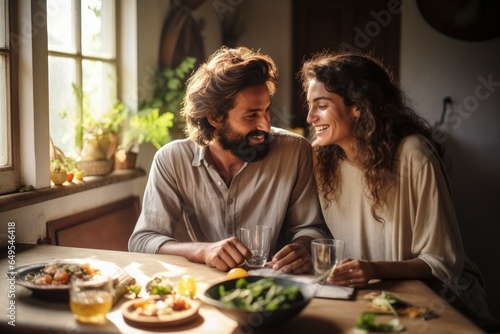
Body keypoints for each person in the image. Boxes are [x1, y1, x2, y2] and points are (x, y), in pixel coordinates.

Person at [299, 51, 500, 331]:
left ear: (357, 106)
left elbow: (442, 262)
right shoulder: (321, 158)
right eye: (309, 105)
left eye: (321, 105)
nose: (309, 117)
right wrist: (301, 247)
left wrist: (373, 268)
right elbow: (320, 229)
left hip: (437, 297)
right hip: (368, 296)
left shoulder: (414, 155)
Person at [129, 46, 328, 274]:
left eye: (266, 111)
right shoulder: (171, 160)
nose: (264, 125)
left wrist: (302, 247)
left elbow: (313, 229)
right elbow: (142, 241)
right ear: (214, 117)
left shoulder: (295, 152)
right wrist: (203, 251)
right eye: (251, 115)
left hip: (276, 285)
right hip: (201, 288)